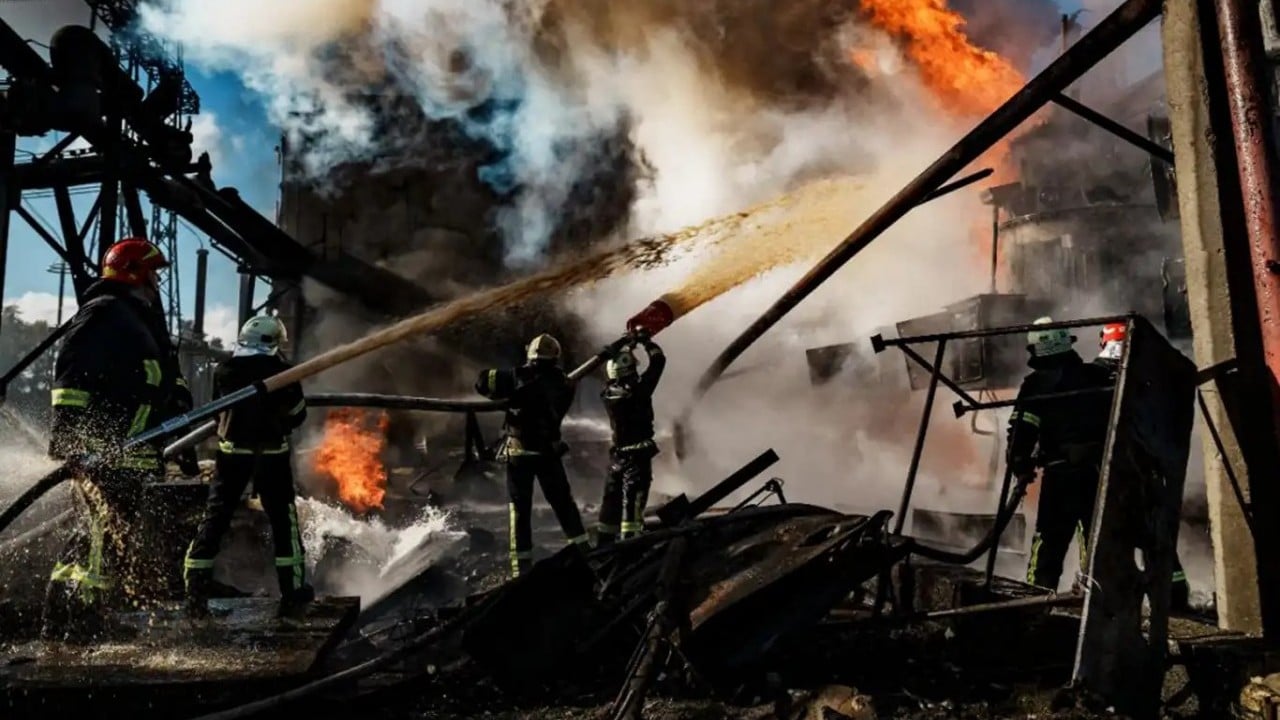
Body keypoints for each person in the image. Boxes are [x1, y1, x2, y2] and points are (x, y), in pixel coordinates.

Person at [43, 238, 195, 640]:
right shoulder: (104, 314)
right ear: (135, 273)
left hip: (131, 454)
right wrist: (72, 442)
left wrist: (177, 402)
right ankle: (82, 623)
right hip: (105, 453)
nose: (157, 281)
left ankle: (72, 615)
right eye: (153, 273)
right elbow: (71, 381)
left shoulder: (137, 318)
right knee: (98, 539)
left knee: (102, 540)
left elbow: (160, 375)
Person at [182, 315, 311, 618]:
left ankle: (194, 595)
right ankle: (292, 593)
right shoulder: (283, 373)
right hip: (271, 456)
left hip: (232, 455)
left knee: (214, 520)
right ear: (274, 342)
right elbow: (298, 414)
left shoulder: (224, 370)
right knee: (284, 523)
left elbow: (217, 413)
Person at [1006, 317, 1115, 593]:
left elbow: (1022, 433)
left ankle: (1035, 606)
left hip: (1061, 478)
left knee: (1048, 548)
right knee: (1096, 546)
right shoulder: (1097, 376)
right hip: (1098, 475)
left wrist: (1020, 464)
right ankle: (1096, 607)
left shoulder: (1036, 385)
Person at [1091, 322, 1193, 610]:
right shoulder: (1151, 380)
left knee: (1115, 539)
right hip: (1148, 475)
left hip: (1117, 478)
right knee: (1156, 542)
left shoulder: (1099, 378)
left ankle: (1114, 601)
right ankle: (1173, 601)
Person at [475, 333, 590, 578]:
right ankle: (585, 553)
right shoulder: (566, 383)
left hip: (520, 455)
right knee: (564, 505)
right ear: (556, 356)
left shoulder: (517, 377)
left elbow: (482, 381)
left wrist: (505, 393)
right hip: (548, 453)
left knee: (519, 511)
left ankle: (521, 570)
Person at [596, 333, 666, 545]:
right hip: (637, 459)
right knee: (632, 509)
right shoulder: (638, 390)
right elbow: (658, 361)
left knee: (610, 507)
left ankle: (603, 549)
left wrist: (626, 347)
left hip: (617, 459)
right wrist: (646, 342)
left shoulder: (607, 393)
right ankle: (630, 552)